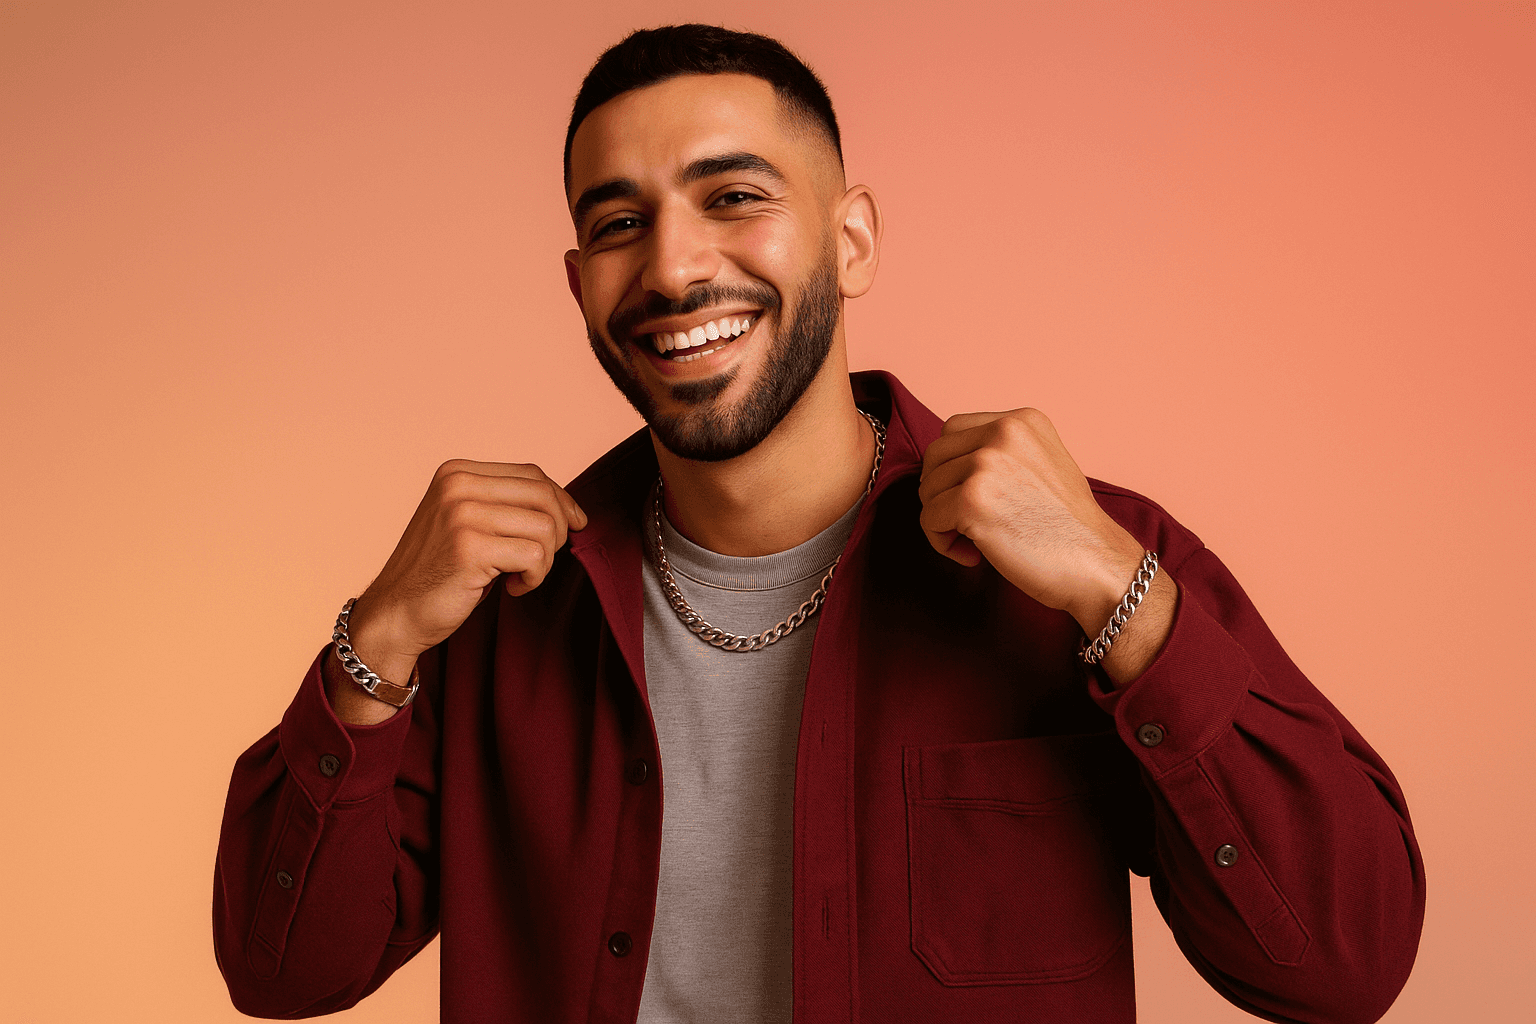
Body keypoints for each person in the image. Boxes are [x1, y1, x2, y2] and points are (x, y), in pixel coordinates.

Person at [213, 24, 1424, 1024]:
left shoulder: (1081, 566)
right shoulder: (502, 609)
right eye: (621, 221)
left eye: (733, 196)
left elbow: (1340, 961)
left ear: (851, 239)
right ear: (578, 281)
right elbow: (284, 971)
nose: (676, 268)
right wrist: (377, 644)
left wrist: (1123, 592)